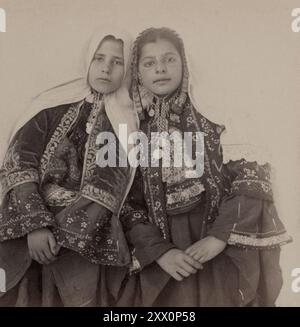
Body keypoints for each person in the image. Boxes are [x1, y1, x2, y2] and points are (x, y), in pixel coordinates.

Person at [113, 27, 292, 307]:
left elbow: (251, 179)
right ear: (137, 73)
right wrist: (160, 252)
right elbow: (128, 203)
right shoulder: (134, 130)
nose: (160, 69)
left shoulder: (217, 114)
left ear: (184, 63)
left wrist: (219, 238)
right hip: (166, 253)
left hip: (220, 244)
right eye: (149, 63)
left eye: (169, 59)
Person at [0, 27, 138, 306]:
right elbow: (19, 163)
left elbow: (108, 187)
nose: (106, 68)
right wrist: (36, 226)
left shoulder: (126, 125)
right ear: (86, 60)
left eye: (117, 61)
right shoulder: (49, 107)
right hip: (29, 226)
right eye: (99, 58)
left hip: (83, 237)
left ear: (127, 70)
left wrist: (63, 235)